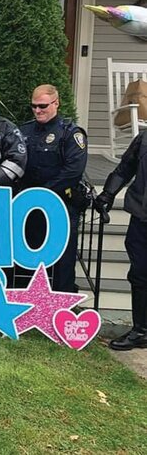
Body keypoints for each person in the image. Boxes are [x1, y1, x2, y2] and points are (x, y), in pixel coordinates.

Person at [19, 84, 87, 293]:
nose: (38, 110)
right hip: (27, 204)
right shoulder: (24, 130)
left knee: (63, 258)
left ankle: (62, 305)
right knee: (26, 253)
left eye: (43, 106)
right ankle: (26, 300)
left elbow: (73, 171)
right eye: (34, 106)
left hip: (60, 203)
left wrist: (44, 193)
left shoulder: (70, 133)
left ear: (56, 103)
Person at [93, 132, 147, 351]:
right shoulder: (144, 138)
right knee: (139, 273)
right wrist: (108, 193)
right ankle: (140, 331)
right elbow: (124, 168)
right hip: (141, 218)